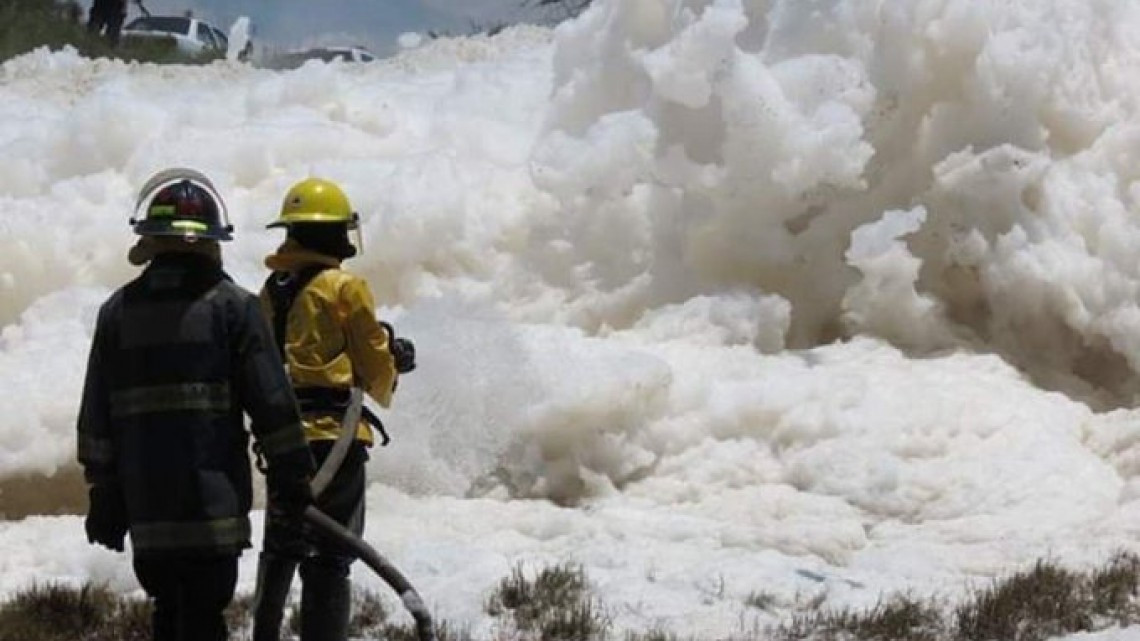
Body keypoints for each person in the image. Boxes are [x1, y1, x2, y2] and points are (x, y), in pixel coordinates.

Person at [77, 168, 316, 641]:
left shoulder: (116, 312)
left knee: (168, 611)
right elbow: (273, 407)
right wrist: (294, 478)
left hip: (147, 512)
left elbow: (95, 418)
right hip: (214, 513)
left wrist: (103, 494)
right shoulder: (234, 308)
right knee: (206, 616)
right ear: (211, 241)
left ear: (151, 241)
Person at [252, 178, 415, 641]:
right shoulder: (346, 287)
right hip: (336, 442)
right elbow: (374, 370)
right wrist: (395, 360)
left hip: (283, 444)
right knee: (331, 558)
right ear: (335, 234)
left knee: (281, 549)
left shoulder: (271, 290)